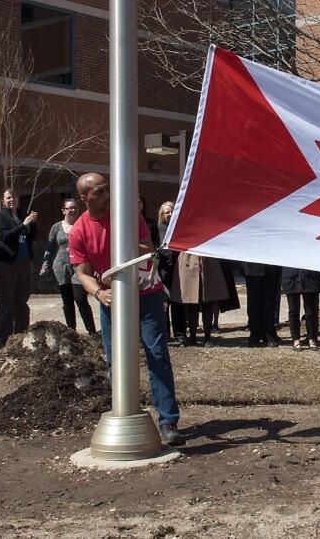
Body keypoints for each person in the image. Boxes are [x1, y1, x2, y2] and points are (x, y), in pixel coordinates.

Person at [68, 173, 183, 446]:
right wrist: (98, 292)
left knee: (157, 354)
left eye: (107, 189)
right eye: (98, 191)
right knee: (114, 359)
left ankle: (168, 421)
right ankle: (124, 413)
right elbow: (81, 272)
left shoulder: (127, 214)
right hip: (111, 300)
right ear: (84, 198)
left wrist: (131, 268)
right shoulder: (80, 230)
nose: (107, 195)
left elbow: (146, 246)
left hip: (146, 294)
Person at [41, 198, 97, 335]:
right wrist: (45, 263)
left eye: (75, 208)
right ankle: (71, 331)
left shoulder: (82, 225)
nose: (72, 210)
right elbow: (49, 246)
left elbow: (91, 246)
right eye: (69, 208)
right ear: (63, 211)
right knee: (67, 302)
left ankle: (92, 331)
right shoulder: (56, 227)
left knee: (80, 298)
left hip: (79, 266)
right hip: (61, 267)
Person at [0, 188, 38, 345]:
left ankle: (21, 333)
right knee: (6, 299)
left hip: (24, 261)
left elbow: (33, 236)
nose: (12, 200)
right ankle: (4, 337)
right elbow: (3, 236)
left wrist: (32, 223)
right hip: (7, 263)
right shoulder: (0, 216)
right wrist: (23, 225)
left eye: (14, 197)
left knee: (21, 299)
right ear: (3, 201)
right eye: (8, 197)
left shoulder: (22, 214)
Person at [170, 253, 227, 347]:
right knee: (192, 303)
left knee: (208, 303)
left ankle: (207, 337)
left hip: (208, 259)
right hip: (189, 260)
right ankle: (192, 337)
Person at [155, 201, 186, 343]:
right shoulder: (157, 228)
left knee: (178, 302)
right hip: (162, 269)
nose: (169, 214)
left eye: (171, 211)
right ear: (161, 214)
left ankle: (180, 333)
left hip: (178, 268)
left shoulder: (180, 228)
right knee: (164, 302)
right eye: (166, 212)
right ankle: (165, 333)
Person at [281, 267, 320, 350]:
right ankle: (296, 340)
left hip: (310, 276)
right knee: (293, 311)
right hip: (291, 276)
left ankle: (311, 339)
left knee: (311, 311)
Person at [244, 262, 282, 347]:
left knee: (270, 304)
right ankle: (254, 336)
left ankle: (269, 335)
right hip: (252, 269)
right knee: (254, 304)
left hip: (271, 269)